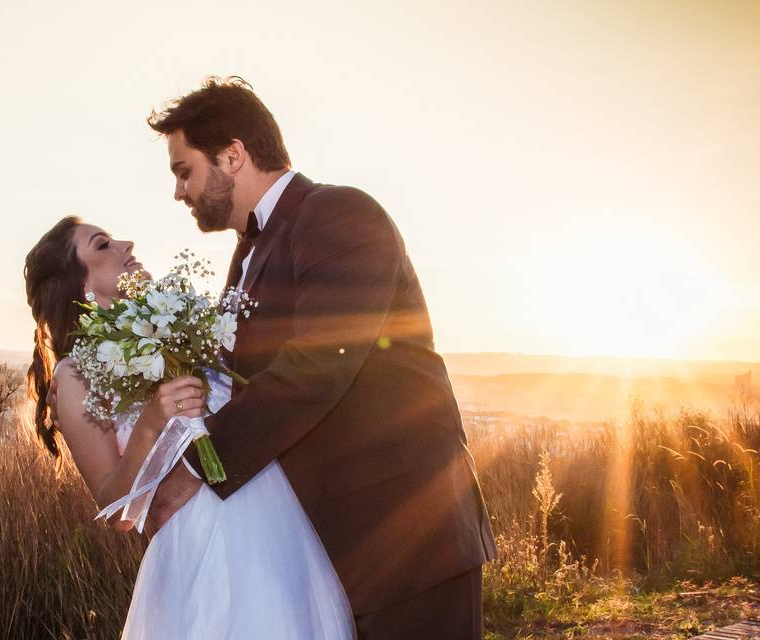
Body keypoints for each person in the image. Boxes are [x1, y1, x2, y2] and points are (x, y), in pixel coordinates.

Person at [144, 76, 496, 639]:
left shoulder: (339, 214)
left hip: (406, 536)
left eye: (183, 170)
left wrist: (197, 469)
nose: (179, 193)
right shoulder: (246, 256)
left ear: (232, 155)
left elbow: (317, 367)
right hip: (323, 555)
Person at [24, 217, 356, 639]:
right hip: (202, 549)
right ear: (83, 287)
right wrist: (150, 425)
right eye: (103, 245)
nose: (126, 243)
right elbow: (119, 512)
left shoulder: (181, 330)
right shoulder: (76, 376)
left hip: (279, 526)